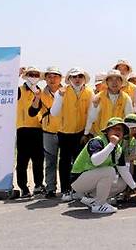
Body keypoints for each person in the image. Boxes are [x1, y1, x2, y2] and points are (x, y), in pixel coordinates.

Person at [70, 117, 136, 214]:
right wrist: (111, 144)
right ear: (107, 131)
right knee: (109, 171)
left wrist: (135, 188)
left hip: (92, 180)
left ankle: (93, 199)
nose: (118, 131)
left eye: (120, 130)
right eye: (114, 128)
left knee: (122, 183)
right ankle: (99, 205)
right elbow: (96, 161)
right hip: (78, 180)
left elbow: (123, 171)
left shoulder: (118, 149)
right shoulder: (97, 141)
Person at [51, 67, 94, 201]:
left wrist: (86, 133)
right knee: (64, 162)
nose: (77, 79)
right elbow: (54, 112)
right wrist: (60, 98)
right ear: (69, 79)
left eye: (80, 76)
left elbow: (91, 115)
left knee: (79, 162)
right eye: (74, 77)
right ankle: (65, 190)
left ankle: (78, 189)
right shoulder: (61, 92)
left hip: (81, 132)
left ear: (84, 79)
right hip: (64, 132)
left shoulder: (89, 92)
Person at [28, 66, 63, 198]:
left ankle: (69, 187)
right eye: (49, 76)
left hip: (66, 131)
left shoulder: (67, 92)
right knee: (50, 161)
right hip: (48, 131)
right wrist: (37, 98)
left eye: (55, 76)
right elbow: (32, 112)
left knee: (67, 161)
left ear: (60, 78)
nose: (52, 79)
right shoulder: (40, 93)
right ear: (45, 79)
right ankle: (50, 188)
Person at [15, 66, 45, 197]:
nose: (33, 76)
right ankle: (24, 188)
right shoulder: (19, 90)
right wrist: (15, 74)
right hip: (23, 129)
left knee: (38, 160)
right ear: (25, 76)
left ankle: (38, 185)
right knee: (22, 161)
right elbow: (6, 90)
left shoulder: (41, 91)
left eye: (36, 74)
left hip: (38, 129)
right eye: (31, 74)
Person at [84, 70, 133, 139]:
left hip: (118, 135)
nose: (114, 82)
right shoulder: (98, 97)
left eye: (117, 79)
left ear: (121, 82)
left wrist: (128, 135)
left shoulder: (126, 98)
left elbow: (129, 118)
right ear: (107, 82)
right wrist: (86, 133)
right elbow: (91, 118)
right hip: (100, 135)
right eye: (111, 80)